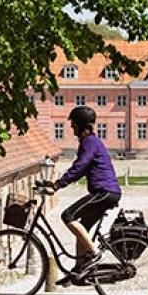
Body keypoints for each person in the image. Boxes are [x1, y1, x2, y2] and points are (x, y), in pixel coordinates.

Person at [49, 105, 122, 285]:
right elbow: (81, 169)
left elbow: (80, 165)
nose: (72, 128)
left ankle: (95, 253)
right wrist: (60, 183)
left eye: (73, 124)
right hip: (106, 192)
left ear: (80, 124)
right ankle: (79, 270)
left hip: (105, 193)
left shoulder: (89, 142)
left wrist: (59, 184)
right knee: (83, 227)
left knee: (68, 215)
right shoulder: (91, 142)